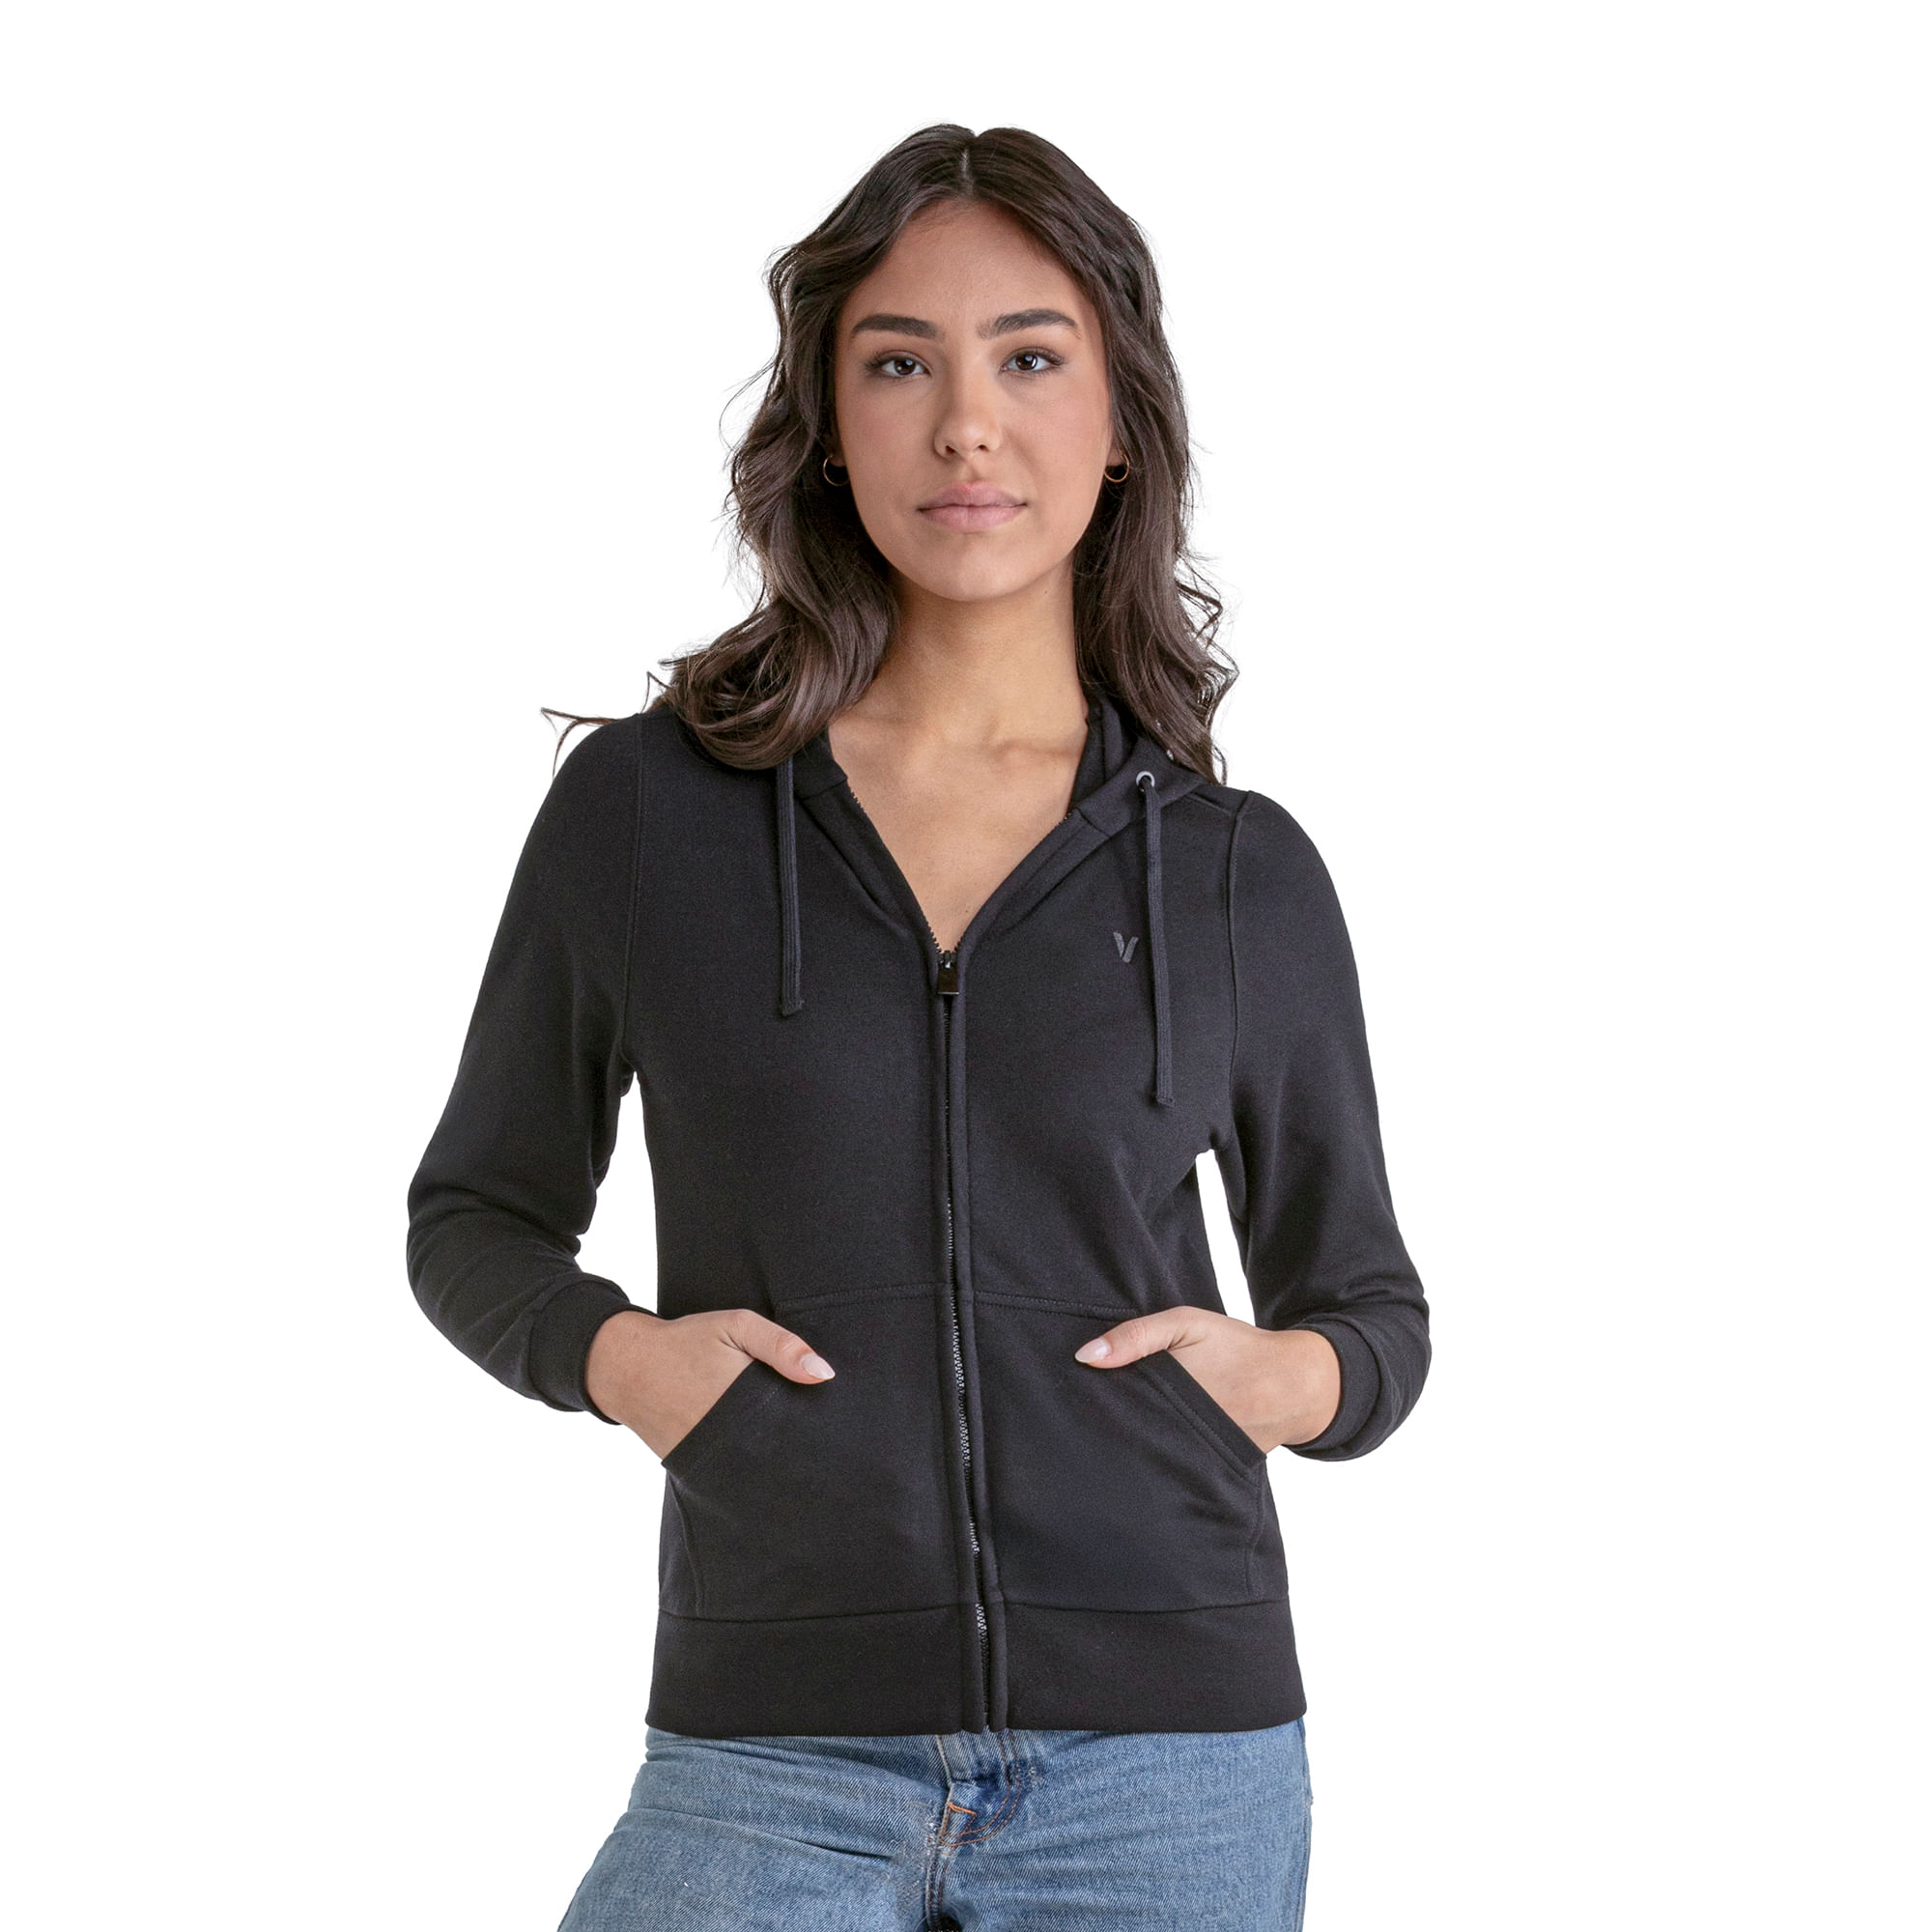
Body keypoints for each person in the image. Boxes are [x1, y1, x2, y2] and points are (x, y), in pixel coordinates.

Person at [407, 123, 1431, 1932]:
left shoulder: (1234, 868)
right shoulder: (649, 816)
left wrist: (1281, 1384)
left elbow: (1371, 1310)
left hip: (1174, 1762)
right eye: (900, 365)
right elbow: (475, 1216)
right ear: (829, 426)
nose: (967, 425)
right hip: (771, 1744)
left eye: (1030, 359)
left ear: (1120, 424)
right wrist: (622, 1362)